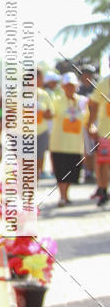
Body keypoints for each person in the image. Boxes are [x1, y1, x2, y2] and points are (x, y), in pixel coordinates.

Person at [50, 72, 88, 207]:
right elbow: (50, 115)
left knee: (72, 172)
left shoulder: (83, 102)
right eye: (67, 86)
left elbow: (87, 120)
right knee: (60, 172)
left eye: (72, 86)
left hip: (75, 144)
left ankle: (66, 194)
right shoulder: (56, 101)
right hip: (59, 143)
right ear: (63, 86)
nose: (70, 88)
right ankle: (62, 196)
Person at [87, 60, 110, 207]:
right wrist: (90, 125)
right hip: (105, 132)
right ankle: (103, 191)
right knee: (103, 163)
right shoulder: (103, 84)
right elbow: (93, 106)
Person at [36, 68, 54, 180]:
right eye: (41, 78)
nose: (43, 80)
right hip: (22, 134)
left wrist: (45, 113)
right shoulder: (18, 93)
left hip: (41, 133)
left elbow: (51, 114)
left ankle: (31, 194)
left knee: (38, 161)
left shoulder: (44, 94)